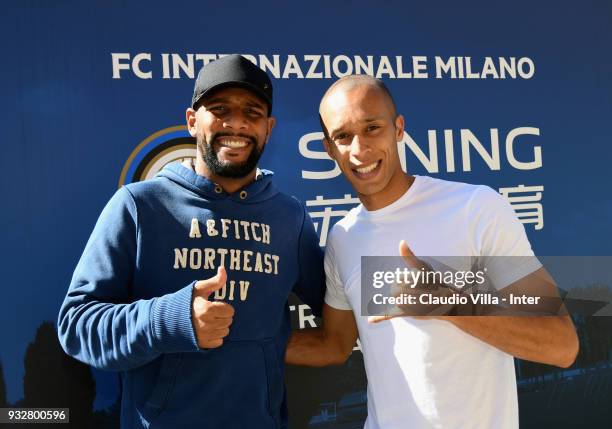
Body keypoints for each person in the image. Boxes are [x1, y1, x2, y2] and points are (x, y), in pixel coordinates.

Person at [286, 75, 579, 428]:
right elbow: (334, 344)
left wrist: (451, 304)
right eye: (343, 136)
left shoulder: (475, 208)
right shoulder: (343, 237)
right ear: (329, 148)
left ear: (398, 129)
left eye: (372, 128)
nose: (359, 150)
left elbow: (562, 345)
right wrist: (240, 343)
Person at [58, 54, 325, 429]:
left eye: (252, 112)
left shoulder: (289, 217)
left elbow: (345, 293)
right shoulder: (138, 206)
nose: (236, 123)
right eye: (220, 110)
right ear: (191, 120)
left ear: (268, 127)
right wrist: (172, 319)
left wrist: (431, 292)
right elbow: (77, 325)